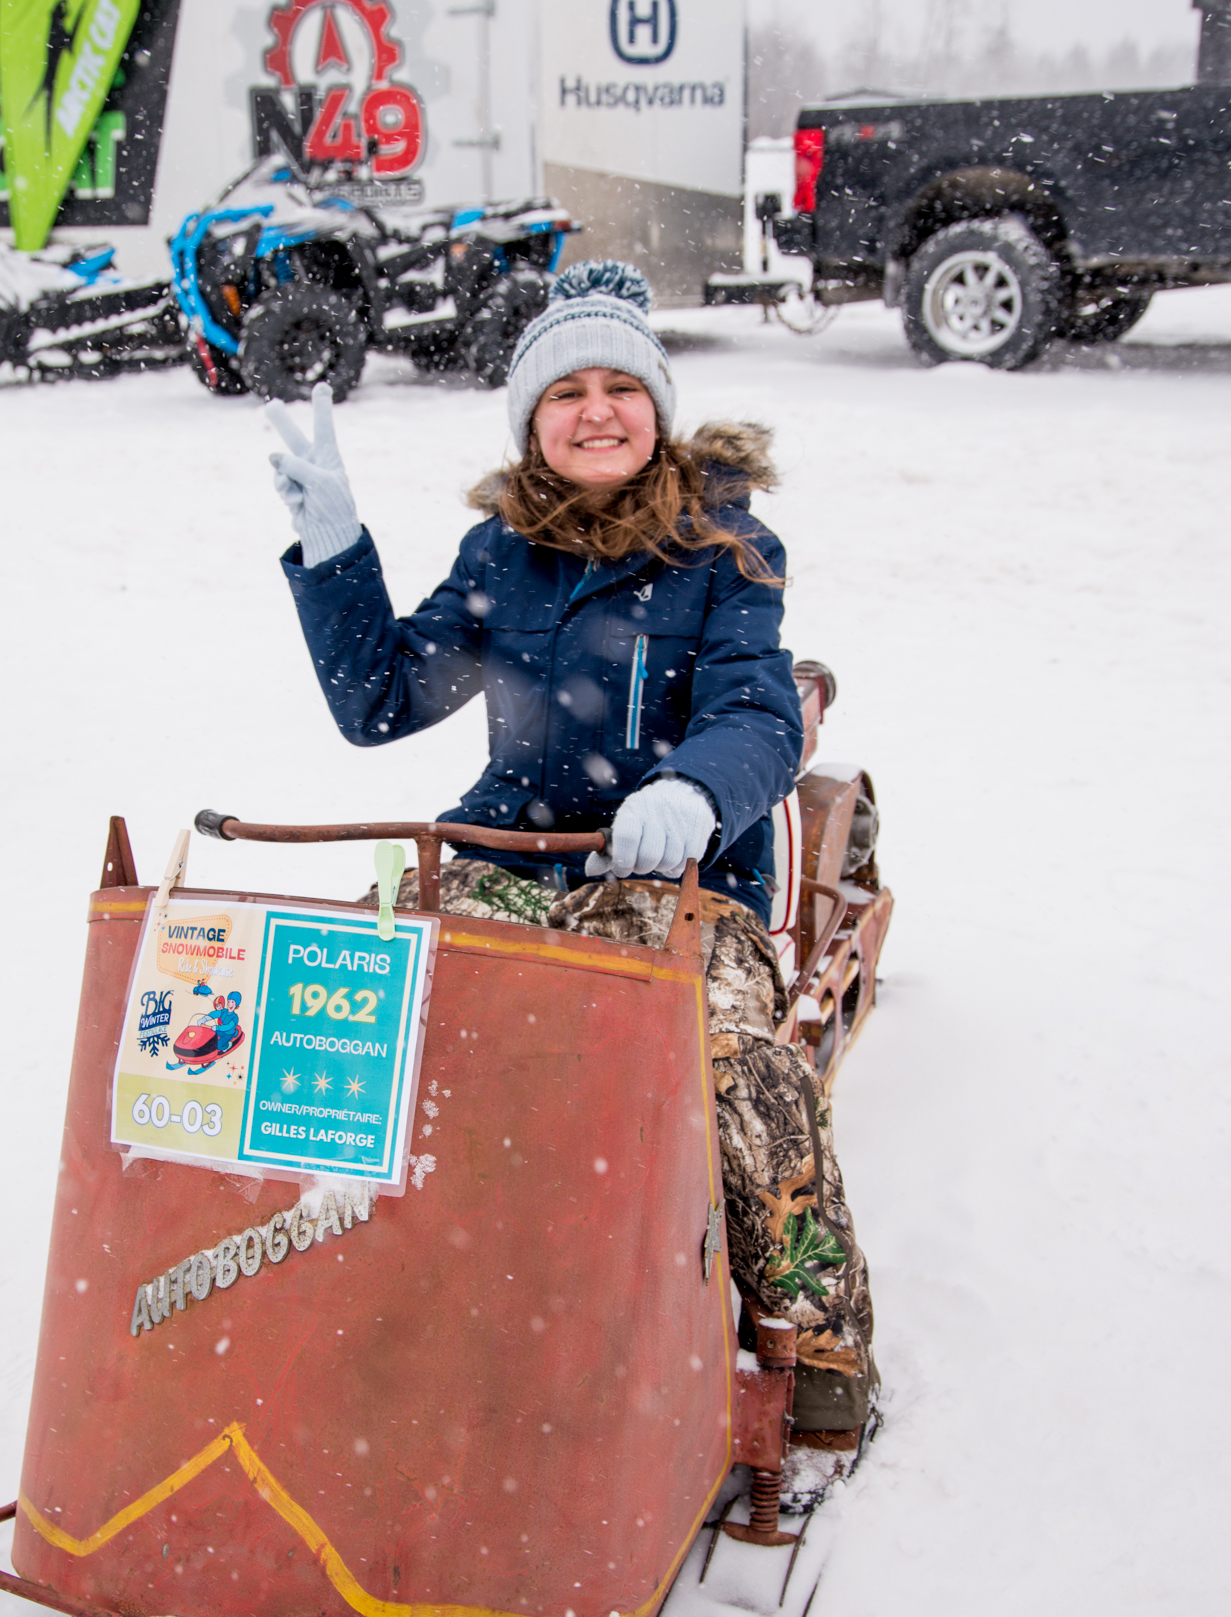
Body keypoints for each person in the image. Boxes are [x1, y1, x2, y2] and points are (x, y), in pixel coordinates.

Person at [268, 260, 876, 1488]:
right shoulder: (500, 550)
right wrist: (333, 550)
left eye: (620, 388)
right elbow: (384, 702)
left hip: (679, 869)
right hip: (512, 847)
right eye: (565, 393)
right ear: (531, 424)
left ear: (656, 408)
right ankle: (325, 1270)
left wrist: (696, 789)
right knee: (363, 1003)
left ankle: (818, 1340)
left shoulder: (729, 547)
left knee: (729, 1060)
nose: (596, 410)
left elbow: (758, 708)